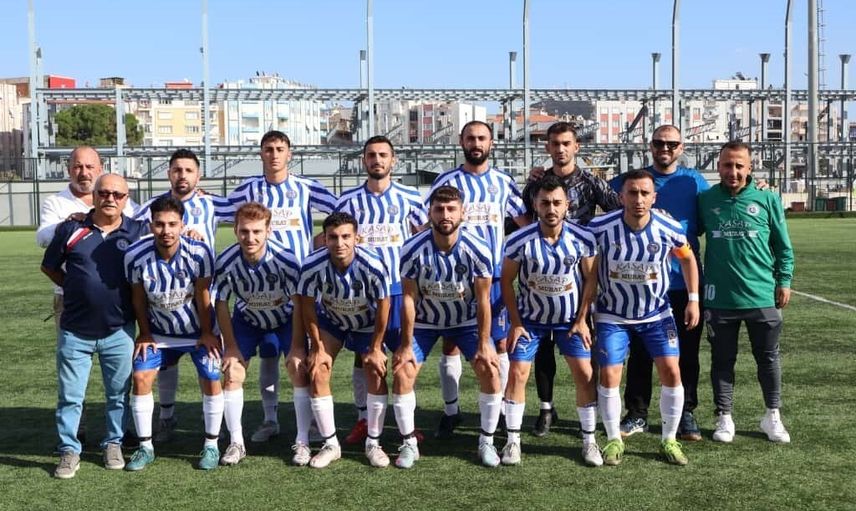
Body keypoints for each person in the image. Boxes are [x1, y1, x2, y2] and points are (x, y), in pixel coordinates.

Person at [228, 130, 338, 443]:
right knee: (268, 354)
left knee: (303, 358)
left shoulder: (306, 187)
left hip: (299, 288)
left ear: (290, 153)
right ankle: (270, 420)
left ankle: (312, 424)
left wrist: (322, 240)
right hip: (260, 288)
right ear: (260, 154)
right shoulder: (249, 189)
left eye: (279, 149)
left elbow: (340, 209)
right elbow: (218, 209)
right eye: (268, 149)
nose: (274, 154)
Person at [588, 169, 700, 466]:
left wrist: (693, 300)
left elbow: (688, 258)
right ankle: (613, 439)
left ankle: (669, 439)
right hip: (613, 315)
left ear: (654, 197)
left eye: (644, 193)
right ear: (621, 196)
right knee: (610, 374)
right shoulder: (600, 226)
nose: (638, 199)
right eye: (632, 193)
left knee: (672, 371)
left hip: (656, 313)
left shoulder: (668, 227)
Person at [41, 174, 148, 479]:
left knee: (118, 394)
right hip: (75, 330)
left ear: (126, 199)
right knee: (71, 396)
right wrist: (76, 287)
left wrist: (191, 231)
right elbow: (49, 266)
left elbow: (169, 234)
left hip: (119, 329)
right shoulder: (72, 228)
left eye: (118, 194)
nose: (110, 199)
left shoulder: (138, 231)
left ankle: (113, 443)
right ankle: (69, 449)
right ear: (95, 195)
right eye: (104, 193)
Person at [425, 121, 527, 439]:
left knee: (500, 342)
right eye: (471, 138)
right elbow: (426, 221)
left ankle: (501, 409)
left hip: (493, 275)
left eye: (482, 138)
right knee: (451, 342)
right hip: (452, 276)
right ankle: (451, 411)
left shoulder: (503, 182)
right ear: (461, 142)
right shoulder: (446, 181)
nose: (476, 143)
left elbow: (524, 222)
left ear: (491, 143)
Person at [391, 186, 502, 468]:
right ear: (429, 213)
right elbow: (408, 298)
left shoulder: (478, 248)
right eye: (439, 209)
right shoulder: (412, 248)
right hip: (425, 322)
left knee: (490, 369)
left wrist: (484, 343)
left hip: (466, 321)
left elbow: (484, 299)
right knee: (403, 371)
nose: (445, 215)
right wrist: (406, 345)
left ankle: (486, 441)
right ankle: (409, 444)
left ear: (462, 212)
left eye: (451, 209)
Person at [523, 122, 621, 436]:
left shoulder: (591, 182)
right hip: (541, 274)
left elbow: (619, 211)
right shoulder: (536, 183)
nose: (560, 149)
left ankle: (590, 409)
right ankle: (546, 408)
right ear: (548, 147)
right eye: (555, 143)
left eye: (566, 143)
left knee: (585, 343)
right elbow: (524, 219)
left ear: (576, 146)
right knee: (543, 347)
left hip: (582, 273)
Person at [612, 125, 709, 442]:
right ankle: (637, 413)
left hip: (683, 284)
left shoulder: (694, 181)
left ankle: (686, 413)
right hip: (641, 286)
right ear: (650, 146)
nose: (665, 148)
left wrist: (755, 185)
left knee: (687, 353)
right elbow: (587, 198)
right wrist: (540, 178)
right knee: (640, 353)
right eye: (659, 142)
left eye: (671, 143)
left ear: (681, 147)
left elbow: (716, 210)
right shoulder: (632, 180)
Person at [133, 148, 234, 443]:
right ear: (169, 174)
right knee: (167, 361)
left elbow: (248, 214)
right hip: (163, 300)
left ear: (198, 175)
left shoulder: (211, 203)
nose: (182, 175)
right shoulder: (152, 207)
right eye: (177, 170)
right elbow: (124, 225)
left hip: (204, 300)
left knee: (211, 367)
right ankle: (167, 417)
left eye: (189, 170)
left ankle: (213, 425)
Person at [500, 175, 601, 466]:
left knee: (585, 373)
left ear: (567, 204)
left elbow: (591, 279)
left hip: (570, 321)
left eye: (557, 202)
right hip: (531, 322)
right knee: (517, 373)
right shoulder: (519, 240)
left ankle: (589, 441)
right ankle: (513, 441)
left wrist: (582, 320)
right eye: (545, 203)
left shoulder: (583, 238)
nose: (551, 209)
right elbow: (506, 282)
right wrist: (516, 323)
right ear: (535, 205)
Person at [697, 141, 794, 444]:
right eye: (727, 165)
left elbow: (783, 246)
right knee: (722, 360)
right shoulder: (705, 200)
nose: (733, 171)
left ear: (750, 168)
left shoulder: (767, 198)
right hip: (719, 297)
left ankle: (772, 415)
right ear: (718, 167)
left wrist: (784, 280)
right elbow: (687, 231)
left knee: (768, 358)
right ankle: (724, 416)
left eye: (739, 165)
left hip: (761, 294)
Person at [333, 136, 427, 445]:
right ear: (364, 160)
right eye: (371, 155)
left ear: (393, 160)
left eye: (383, 155)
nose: (377, 160)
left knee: (402, 357)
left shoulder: (409, 196)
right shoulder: (348, 201)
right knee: (364, 356)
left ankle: (405, 425)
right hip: (361, 293)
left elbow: (423, 234)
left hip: (398, 289)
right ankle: (365, 420)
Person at [123, 196, 222, 471]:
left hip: (197, 331)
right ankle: (145, 448)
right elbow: (138, 298)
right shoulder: (134, 255)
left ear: (182, 225)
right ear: (150, 225)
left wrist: (207, 333)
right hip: (159, 333)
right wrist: (145, 334)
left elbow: (203, 295)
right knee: (141, 377)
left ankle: (211, 445)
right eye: (159, 224)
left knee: (212, 376)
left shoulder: (199, 252)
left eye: (172, 224)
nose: (165, 230)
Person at [296, 212, 393, 468]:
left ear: (356, 238)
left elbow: (384, 305)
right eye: (333, 237)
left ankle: (373, 443)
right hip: (332, 321)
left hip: (367, 323)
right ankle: (331, 444)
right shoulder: (312, 265)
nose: (340, 243)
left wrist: (376, 347)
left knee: (375, 369)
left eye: (346, 236)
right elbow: (307, 306)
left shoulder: (373, 265)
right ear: (325, 239)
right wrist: (317, 347)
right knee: (318, 369)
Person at [214, 203, 302, 466]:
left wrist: (298, 344)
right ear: (235, 230)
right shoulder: (226, 261)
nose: (250, 238)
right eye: (244, 231)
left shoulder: (285, 259)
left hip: (285, 319)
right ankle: (236, 443)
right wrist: (230, 347)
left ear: (268, 231)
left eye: (256, 231)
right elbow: (221, 303)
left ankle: (303, 440)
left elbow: (299, 302)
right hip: (248, 320)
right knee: (232, 372)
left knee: (298, 368)